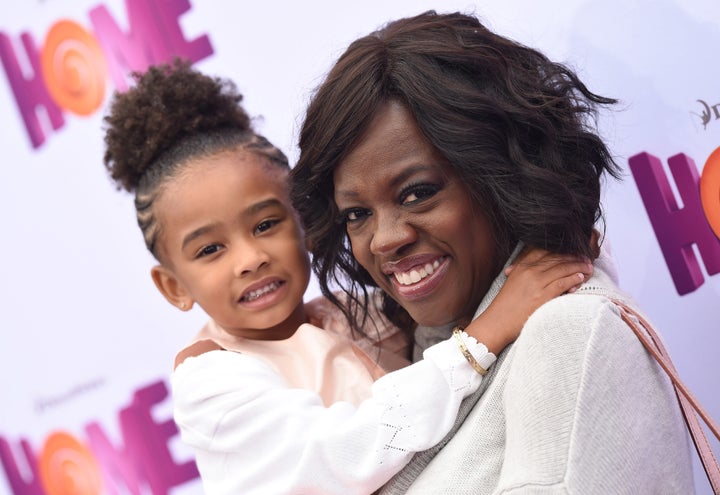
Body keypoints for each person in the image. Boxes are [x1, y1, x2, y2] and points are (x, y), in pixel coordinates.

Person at [102, 60, 592, 494]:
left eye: (266, 224)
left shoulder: (357, 315)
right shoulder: (213, 382)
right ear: (175, 286)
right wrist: (477, 342)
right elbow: (339, 458)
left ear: (307, 226)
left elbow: (485, 296)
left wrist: (555, 250)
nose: (249, 258)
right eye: (210, 249)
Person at [290, 10, 695, 495]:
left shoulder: (568, 335)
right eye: (356, 214)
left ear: (502, 175)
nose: (383, 240)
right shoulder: (412, 360)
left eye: (416, 193)